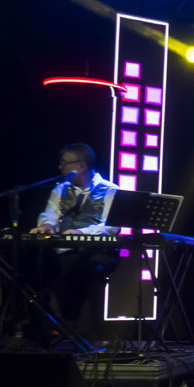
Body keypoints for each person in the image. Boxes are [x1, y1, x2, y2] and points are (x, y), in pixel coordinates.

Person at [28, 142, 119, 341]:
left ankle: (90, 333)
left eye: (64, 163)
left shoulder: (110, 190)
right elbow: (50, 213)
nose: (60, 167)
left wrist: (81, 232)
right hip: (64, 251)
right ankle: (46, 333)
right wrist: (46, 224)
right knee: (39, 267)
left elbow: (111, 226)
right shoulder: (60, 189)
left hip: (97, 251)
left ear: (81, 166)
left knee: (92, 270)